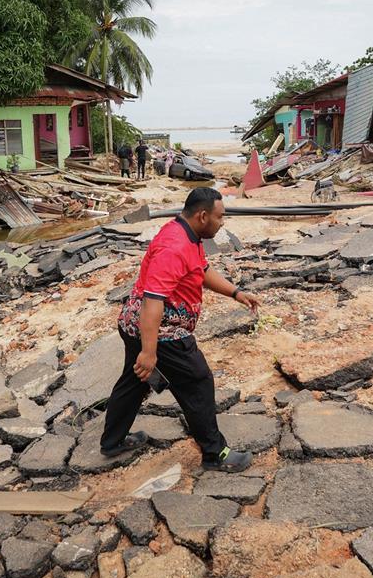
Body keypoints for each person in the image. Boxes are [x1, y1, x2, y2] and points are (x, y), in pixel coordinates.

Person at [100, 188, 261, 472]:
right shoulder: (173, 247)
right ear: (202, 216)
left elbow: (200, 270)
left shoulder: (187, 233)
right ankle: (215, 453)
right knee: (198, 383)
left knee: (135, 381)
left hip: (134, 323)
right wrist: (150, 353)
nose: (223, 223)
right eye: (220, 217)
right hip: (162, 333)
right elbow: (153, 303)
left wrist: (235, 293)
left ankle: (113, 442)